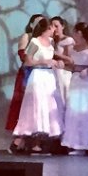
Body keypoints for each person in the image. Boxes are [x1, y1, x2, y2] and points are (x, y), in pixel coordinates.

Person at [13, 16, 65, 153]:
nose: (54, 29)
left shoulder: (52, 42)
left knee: (48, 106)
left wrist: (57, 63)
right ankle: (26, 141)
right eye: (52, 27)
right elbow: (27, 62)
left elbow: (52, 58)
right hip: (37, 76)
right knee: (37, 106)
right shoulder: (35, 42)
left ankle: (40, 143)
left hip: (49, 77)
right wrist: (43, 61)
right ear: (47, 28)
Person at [61, 21, 88, 155]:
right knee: (76, 111)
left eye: (75, 32)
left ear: (80, 33)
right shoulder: (72, 49)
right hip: (76, 81)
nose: (73, 35)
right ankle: (77, 145)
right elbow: (70, 65)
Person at [6, 13, 44, 154]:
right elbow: (23, 56)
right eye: (37, 22)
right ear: (31, 24)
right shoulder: (27, 37)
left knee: (39, 107)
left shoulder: (45, 39)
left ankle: (35, 142)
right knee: (24, 106)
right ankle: (18, 141)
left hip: (41, 75)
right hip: (27, 74)